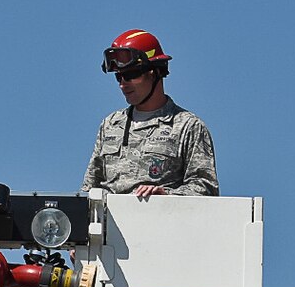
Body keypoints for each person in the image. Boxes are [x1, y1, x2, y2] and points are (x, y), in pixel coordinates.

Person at [82, 29, 217, 198]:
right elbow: (90, 190)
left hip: (161, 221)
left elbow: (206, 189)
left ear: (154, 72)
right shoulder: (110, 125)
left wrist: (166, 195)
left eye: (130, 75)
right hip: (110, 223)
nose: (123, 84)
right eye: (119, 77)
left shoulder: (187, 126)